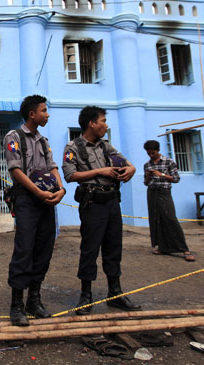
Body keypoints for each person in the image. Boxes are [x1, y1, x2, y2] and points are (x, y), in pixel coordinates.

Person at [62, 106, 140, 315]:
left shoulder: (106, 146)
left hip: (112, 202)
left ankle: (115, 293)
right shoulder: (73, 147)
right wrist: (100, 171)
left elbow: (127, 164)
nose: (106, 125)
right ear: (91, 123)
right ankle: (85, 296)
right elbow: (70, 175)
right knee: (90, 249)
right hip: (92, 204)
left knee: (114, 247)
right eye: (103, 121)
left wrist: (131, 169)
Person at [3, 95, 66, 326]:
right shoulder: (14, 137)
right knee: (24, 249)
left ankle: (34, 299)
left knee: (44, 248)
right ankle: (17, 304)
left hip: (47, 200)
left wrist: (60, 190)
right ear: (32, 114)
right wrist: (38, 193)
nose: (47, 114)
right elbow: (16, 170)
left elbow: (52, 167)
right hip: (27, 200)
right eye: (44, 110)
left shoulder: (43, 141)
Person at [143, 140, 195, 261]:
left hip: (164, 192)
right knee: (156, 219)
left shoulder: (169, 162)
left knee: (170, 218)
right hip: (152, 192)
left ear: (158, 150)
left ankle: (184, 249)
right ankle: (162, 246)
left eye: (153, 153)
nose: (151, 155)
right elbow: (146, 183)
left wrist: (161, 175)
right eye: (149, 153)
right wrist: (149, 176)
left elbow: (176, 179)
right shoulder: (147, 165)